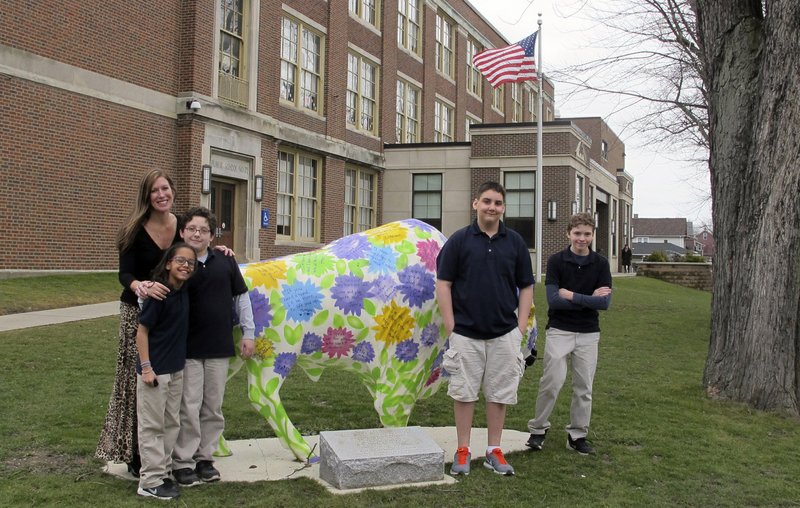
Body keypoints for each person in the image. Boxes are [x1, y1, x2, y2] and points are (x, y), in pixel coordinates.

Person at [436, 181, 535, 477]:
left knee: (499, 394)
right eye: (487, 201)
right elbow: (444, 284)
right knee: (464, 394)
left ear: (503, 208)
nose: (492, 207)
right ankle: (463, 450)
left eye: (498, 203)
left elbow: (527, 285)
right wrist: (451, 326)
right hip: (465, 333)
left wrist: (519, 328)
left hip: (504, 333)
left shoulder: (515, 242)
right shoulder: (459, 240)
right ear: (475, 203)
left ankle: (494, 450)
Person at [96, 169, 181, 477]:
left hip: (172, 316)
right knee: (138, 381)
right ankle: (135, 452)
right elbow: (125, 274)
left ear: (172, 191)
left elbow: (201, 253)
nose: (161, 195)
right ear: (147, 196)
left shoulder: (182, 226)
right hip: (138, 314)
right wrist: (139, 286)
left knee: (168, 382)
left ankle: (167, 452)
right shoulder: (133, 230)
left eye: (165, 189)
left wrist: (222, 251)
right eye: (154, 191)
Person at [171, 207, 255, 486]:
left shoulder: (225, 261)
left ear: (211, 235)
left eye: (203, 230)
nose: (197, 233)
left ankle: (205, 459)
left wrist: (249, 332)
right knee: (188, 406)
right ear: (182, 232)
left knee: (213, 406)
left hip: (219, 346)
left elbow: (241, 297)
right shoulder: (177, 262)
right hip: (188, 347)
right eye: (192, 229)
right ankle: (182, 462)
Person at [525, 213, 612, 456]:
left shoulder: (601, 264)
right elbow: (554, 301)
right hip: (559, 330)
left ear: (592, 235)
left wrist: (572, 296)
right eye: (577, 233)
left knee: (584, 386)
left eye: (587, 234)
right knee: (551, 382)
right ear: (568, 234)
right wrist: (589, 299)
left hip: (588, 334)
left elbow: (604, 303)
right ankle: (538, 430)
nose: (582, 239)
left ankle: (577, 435)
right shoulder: (556, 261)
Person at [136, 243, 197, 499]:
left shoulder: (182, 291)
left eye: (190, 263)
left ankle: (162, 473)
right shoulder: (158, 294)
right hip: (155, 371)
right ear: (169, 263)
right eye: (180, 261)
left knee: (172, 423)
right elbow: (142, 332)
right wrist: (147, 368)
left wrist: (225, 251)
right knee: (152, 426)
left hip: (175, 369)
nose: (186, 266)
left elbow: (209, 261)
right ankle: (149, 481)